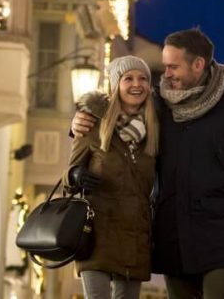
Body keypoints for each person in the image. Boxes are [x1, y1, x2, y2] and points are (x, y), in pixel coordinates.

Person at [72, 29, 224, 299]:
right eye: (165, 65)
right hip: (174, 235)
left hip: (222, 234)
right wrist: (82, 118)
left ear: (198, 65)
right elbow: (118, 110)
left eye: (173, 66)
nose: (166, 73)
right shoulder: (160, 102)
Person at [64, 55, 158, 299]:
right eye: (128, 78)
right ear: (116, 84)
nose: (137, 84)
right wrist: (76, 175)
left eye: (143, 78)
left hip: (134, 236)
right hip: (97, 234)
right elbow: (70, 172)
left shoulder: (156, 129)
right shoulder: (93, 123)